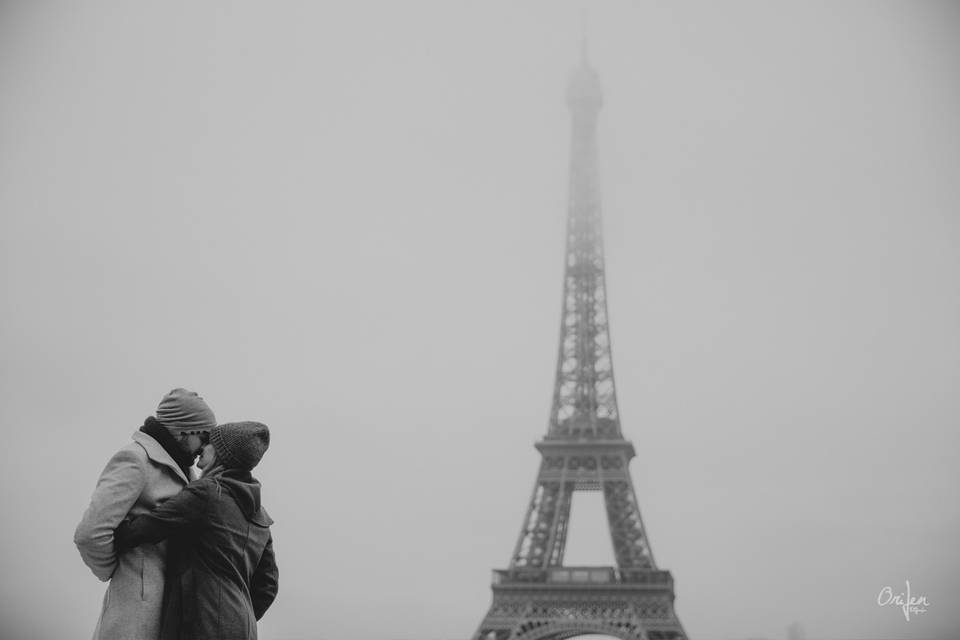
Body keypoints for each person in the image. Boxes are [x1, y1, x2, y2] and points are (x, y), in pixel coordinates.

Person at [115, 421, 279, 640]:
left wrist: (109, 530)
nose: (202, 447)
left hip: (204, 625)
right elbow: (267, 586)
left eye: (210, 443)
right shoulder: (260, 514)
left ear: (222, 454)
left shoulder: (208, 493)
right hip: (243, 628)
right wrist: (234, 617)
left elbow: (146, 528)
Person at [74, 388, 217, 640]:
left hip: (173, 613)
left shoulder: (183, 470)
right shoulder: (136, 459)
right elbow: (90, 534)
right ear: (184, 429)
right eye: (204, 436)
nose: (205, 447)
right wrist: (123, 574)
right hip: (137, 616)